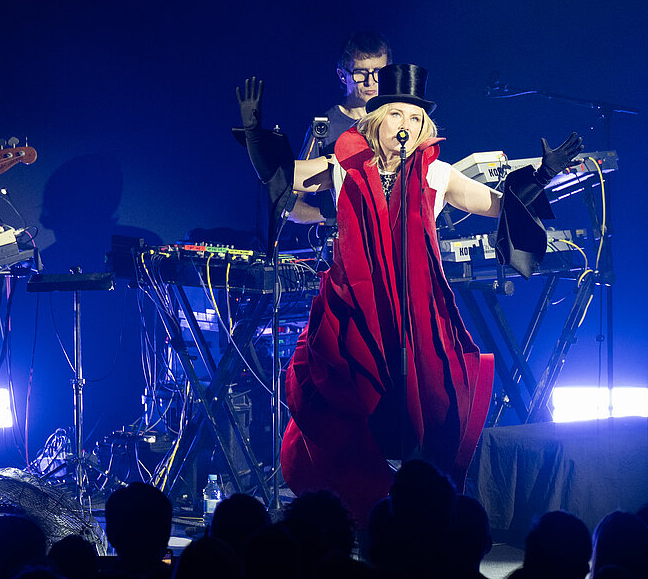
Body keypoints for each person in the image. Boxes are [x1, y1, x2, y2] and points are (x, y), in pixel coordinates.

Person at [236, 65, 582, 524]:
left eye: (415, 119)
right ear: (376, 120)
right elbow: (286, 177)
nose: (406, 126)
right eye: (396, 115)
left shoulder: (438, 174)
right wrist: (256, 134)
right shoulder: (343, 167)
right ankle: (352, 509)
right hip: (353, 309)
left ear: (424, 129)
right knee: (349, 406)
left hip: (416, 312)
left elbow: (498, 205)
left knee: (427, 405)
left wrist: (544, 174)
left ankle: (418, 511)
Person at [289, 31, 391, 224]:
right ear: (342, 75)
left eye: (378, 72)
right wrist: (334, 217)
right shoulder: (324, 127)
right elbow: (292, 205)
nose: (371, 82)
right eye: (360, 72)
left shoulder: (398, 120)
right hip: (343, 246)